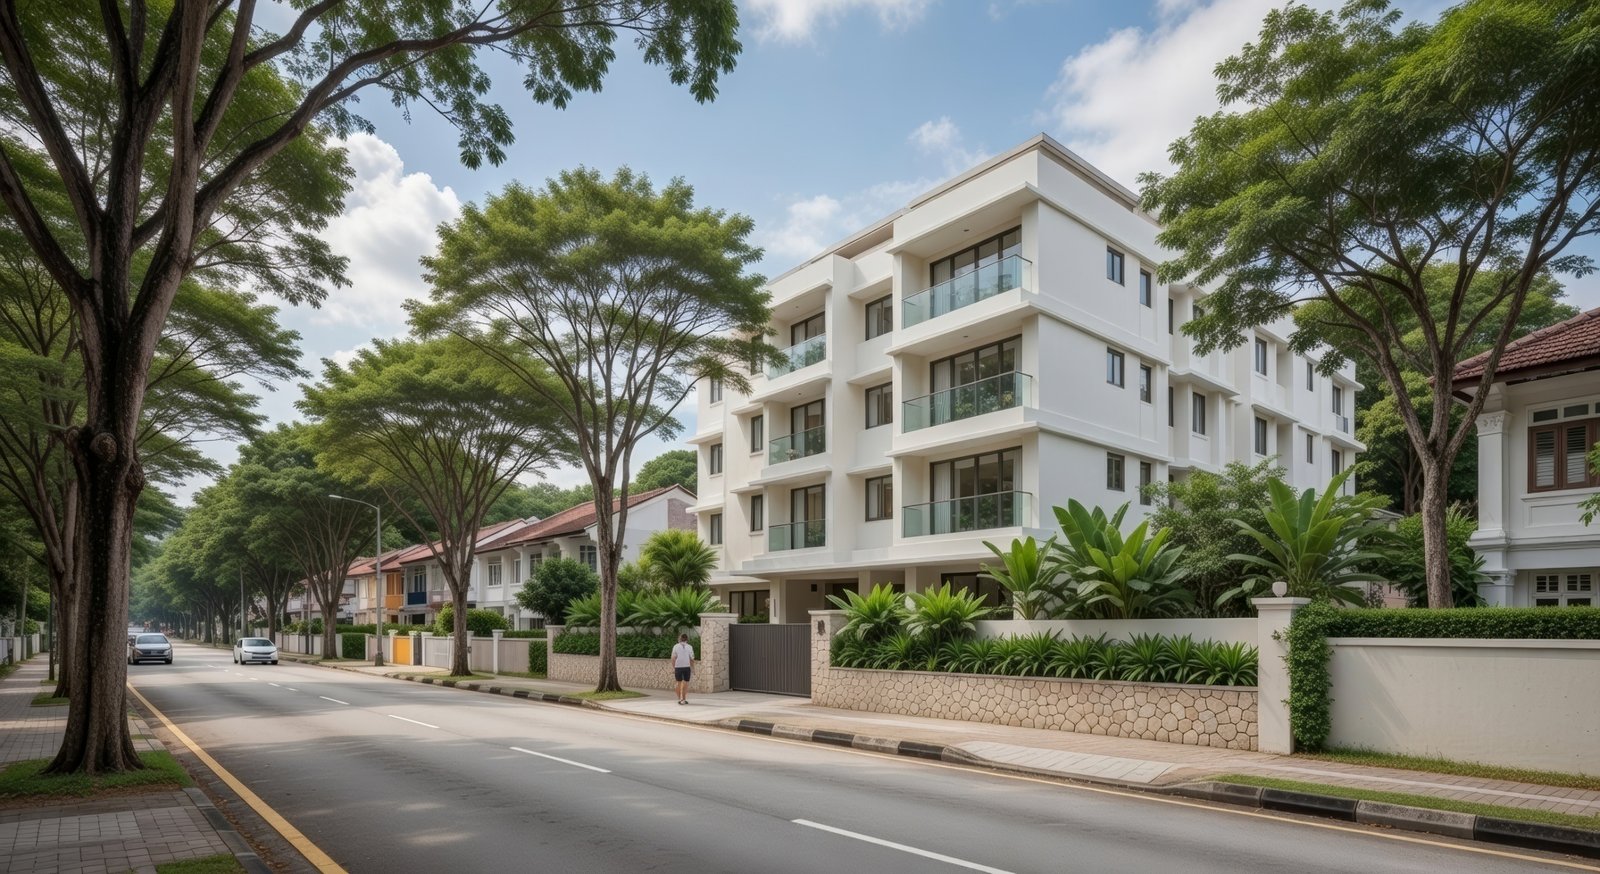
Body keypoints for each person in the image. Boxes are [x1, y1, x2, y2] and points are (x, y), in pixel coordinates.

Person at [668, 633, 695, 705]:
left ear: (679, 639)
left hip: (678, 667)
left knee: (678, 683)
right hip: (687, 667)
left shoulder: (675, 646)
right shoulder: (690, 647)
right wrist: (693, 668)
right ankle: (684, 699)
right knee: (686, 683)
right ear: (687, 639)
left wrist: (674, 668)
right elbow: (692, 659)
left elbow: (673, 658)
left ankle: (680, 699)